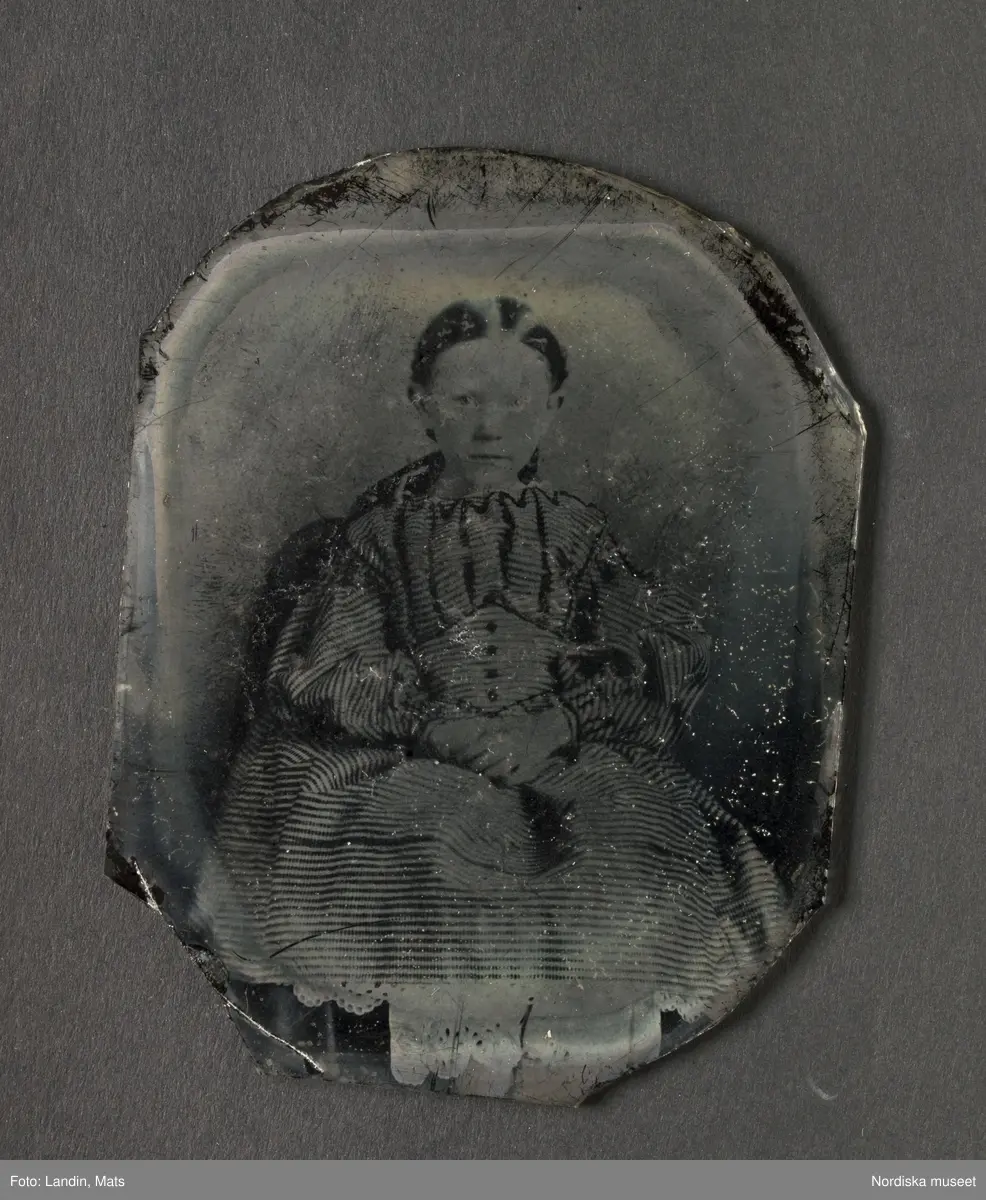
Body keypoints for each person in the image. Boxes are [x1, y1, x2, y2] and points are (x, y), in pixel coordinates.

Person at [199, 297, 790, 1030]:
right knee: (426, 839)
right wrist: (432, 726)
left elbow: (652, 655)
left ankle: (571, 1039)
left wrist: (557, 723)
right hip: (413, 751)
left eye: (516, 402)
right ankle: (436, 1036)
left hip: (556, 746)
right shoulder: (379, 535)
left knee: (629, 843)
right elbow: (332, 663)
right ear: (422, 404)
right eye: (465, 400)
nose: (490, 426)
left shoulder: (577, 532)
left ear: (552, 408)